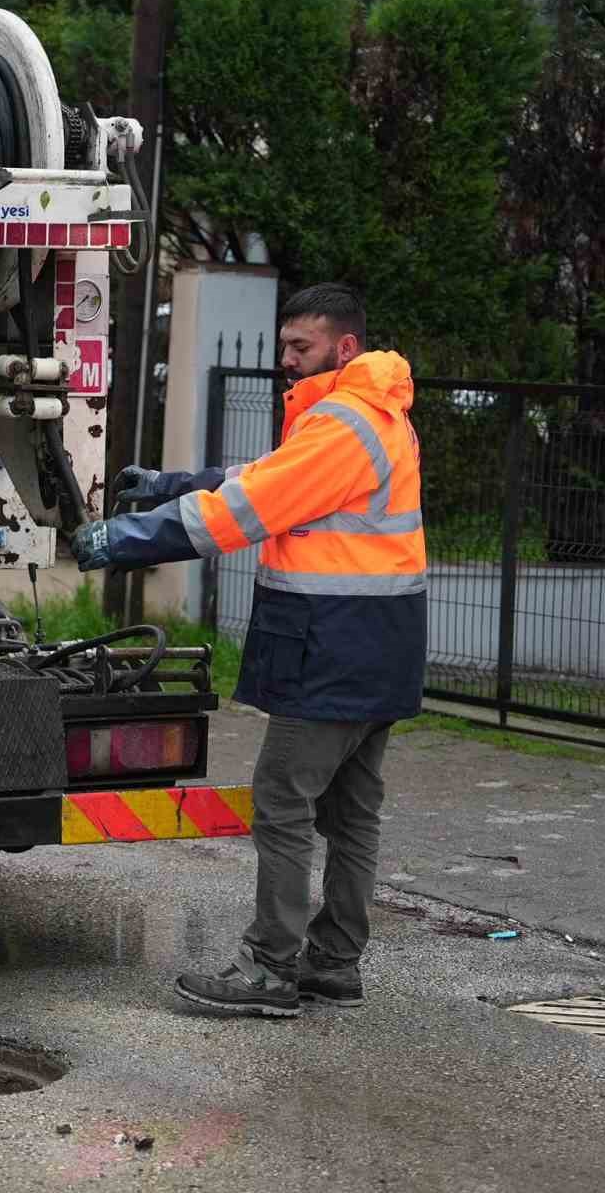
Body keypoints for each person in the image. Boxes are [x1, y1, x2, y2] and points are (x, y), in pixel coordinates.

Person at [71, 283, 427, 1017]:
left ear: (345, 346)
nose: (287, 361)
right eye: (285, 346)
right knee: (352, 813)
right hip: (379, 644)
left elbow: (252, 508)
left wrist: (126, 539)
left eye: (302, 348)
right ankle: (333, 964)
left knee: (283, 803)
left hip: (332, 648)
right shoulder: (370, 415)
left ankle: (269, 969)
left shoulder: (342, 424)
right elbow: (270, 480)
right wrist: (173, 484)